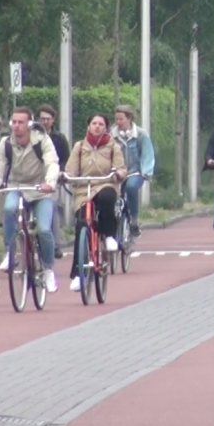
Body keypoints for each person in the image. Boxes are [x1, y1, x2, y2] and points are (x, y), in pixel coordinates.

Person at [0, 107, 60, 292]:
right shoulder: (6, 143)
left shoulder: (42, 141)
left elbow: (52, 163)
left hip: (40, 190)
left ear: (29, 124)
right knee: (9, 209)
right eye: (14, 122)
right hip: (17, 187)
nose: (16, 126)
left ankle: (48, 270)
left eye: (21, 122)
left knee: (44, 230)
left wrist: (50, 183)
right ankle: (11, 252)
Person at [65, 113, 126, 292]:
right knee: (81, 225)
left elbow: (121, 169)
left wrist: (118, 174)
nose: (97, 126)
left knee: (107, 197)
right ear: (88, 126)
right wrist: (66, 176)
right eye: (94, 123)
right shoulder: (79, 147)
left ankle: (109, 235)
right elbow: (70, 170)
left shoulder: (113, 147)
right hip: (84, 190)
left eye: (100, 124)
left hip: (105, 184)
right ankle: (79, 274)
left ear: (106, 128)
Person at [110, 105, 155, 237]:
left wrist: (146, 172)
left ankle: (134, 220)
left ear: (129, 118)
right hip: (116, 172)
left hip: (134, 172)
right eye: (116, 119)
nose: (118, 122)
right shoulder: (111, 135)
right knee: (110, 194)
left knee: (131, 187)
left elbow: (147, 154)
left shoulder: (141, 134)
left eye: (121, 119)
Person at [36, 104, 70, 258]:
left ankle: (56, 244)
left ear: (53, 120)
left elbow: (65, 159)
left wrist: (61, 171)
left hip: (52, 179)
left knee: (52, 206)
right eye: (42, 119)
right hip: (34, 178)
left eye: (48, 119)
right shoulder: (32, 137)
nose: (45, 122)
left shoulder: (59, 139)